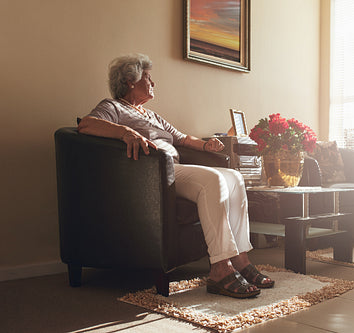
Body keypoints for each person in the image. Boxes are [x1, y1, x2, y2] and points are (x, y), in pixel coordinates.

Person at [78, 54, 274, 298]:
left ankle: (241, 260)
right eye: (148, 78)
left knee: (234, 177)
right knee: (213, 180)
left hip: (173, 171)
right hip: (150, 176)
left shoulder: (152, 115)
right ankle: (220, 269)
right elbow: (86, 124)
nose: (153, 83)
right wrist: (126, 132)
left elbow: (181, 138)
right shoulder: (113, 107)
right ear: (130, 81)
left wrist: (206, 146)